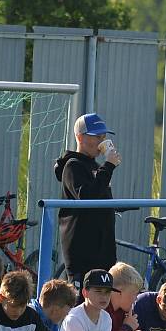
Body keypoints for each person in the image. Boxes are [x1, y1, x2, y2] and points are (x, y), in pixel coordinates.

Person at [54, 113, 122, 293]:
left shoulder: (94, 167)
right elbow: (87, 196)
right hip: (82, 252)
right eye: (97, 137)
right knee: (81, 302)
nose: (102, 141)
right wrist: (108, 166)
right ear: (80, 137)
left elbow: (100, 195)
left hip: (102, 249)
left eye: (103, 137)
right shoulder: (73, 165)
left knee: (103, 300)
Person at [106, 262, 144, 331]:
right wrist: (127, 328)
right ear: (119, 291)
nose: (136, 298)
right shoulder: (102, 311)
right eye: (134, 293)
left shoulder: (126, 312)